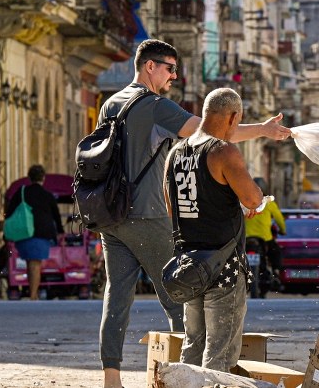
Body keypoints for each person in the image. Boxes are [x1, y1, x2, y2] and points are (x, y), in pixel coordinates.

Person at [97, 39, 290, 388]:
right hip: (147, 213)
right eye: (170, 68)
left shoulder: (110, 103)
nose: (174, 75)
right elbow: (210, 131)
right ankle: (179, 378)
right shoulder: (155, 106)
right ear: (149, 67)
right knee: (182, 291)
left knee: (116, 296)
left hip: (110, 216)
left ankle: (112, 377)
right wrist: (262, 129)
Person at [164, 88, 264, 371]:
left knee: (193, 346)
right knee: (219, 353)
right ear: (233, 117)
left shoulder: (175, 153)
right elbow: (253, 199)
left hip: (189, 266)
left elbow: (171, 207)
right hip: (224, 267)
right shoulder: (223, 151)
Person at [5, 164, 63, 300]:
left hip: (23, 232)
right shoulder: (47, 195)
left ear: (29, 177)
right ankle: (33, 294)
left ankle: (33, 291)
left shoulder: (21, 192)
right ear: (43, 178)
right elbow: (56, 215)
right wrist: (59, 231)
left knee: (30, 262)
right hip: (41, 233)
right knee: (35, 263)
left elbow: (9, 212)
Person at [244, 179, 286, 282]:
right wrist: (283, 230)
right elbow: (279, 219)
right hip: (265, 238)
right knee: (276, 252)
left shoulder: (244, 201)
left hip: (246, 237)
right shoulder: (269, 203)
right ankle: (276, 272)